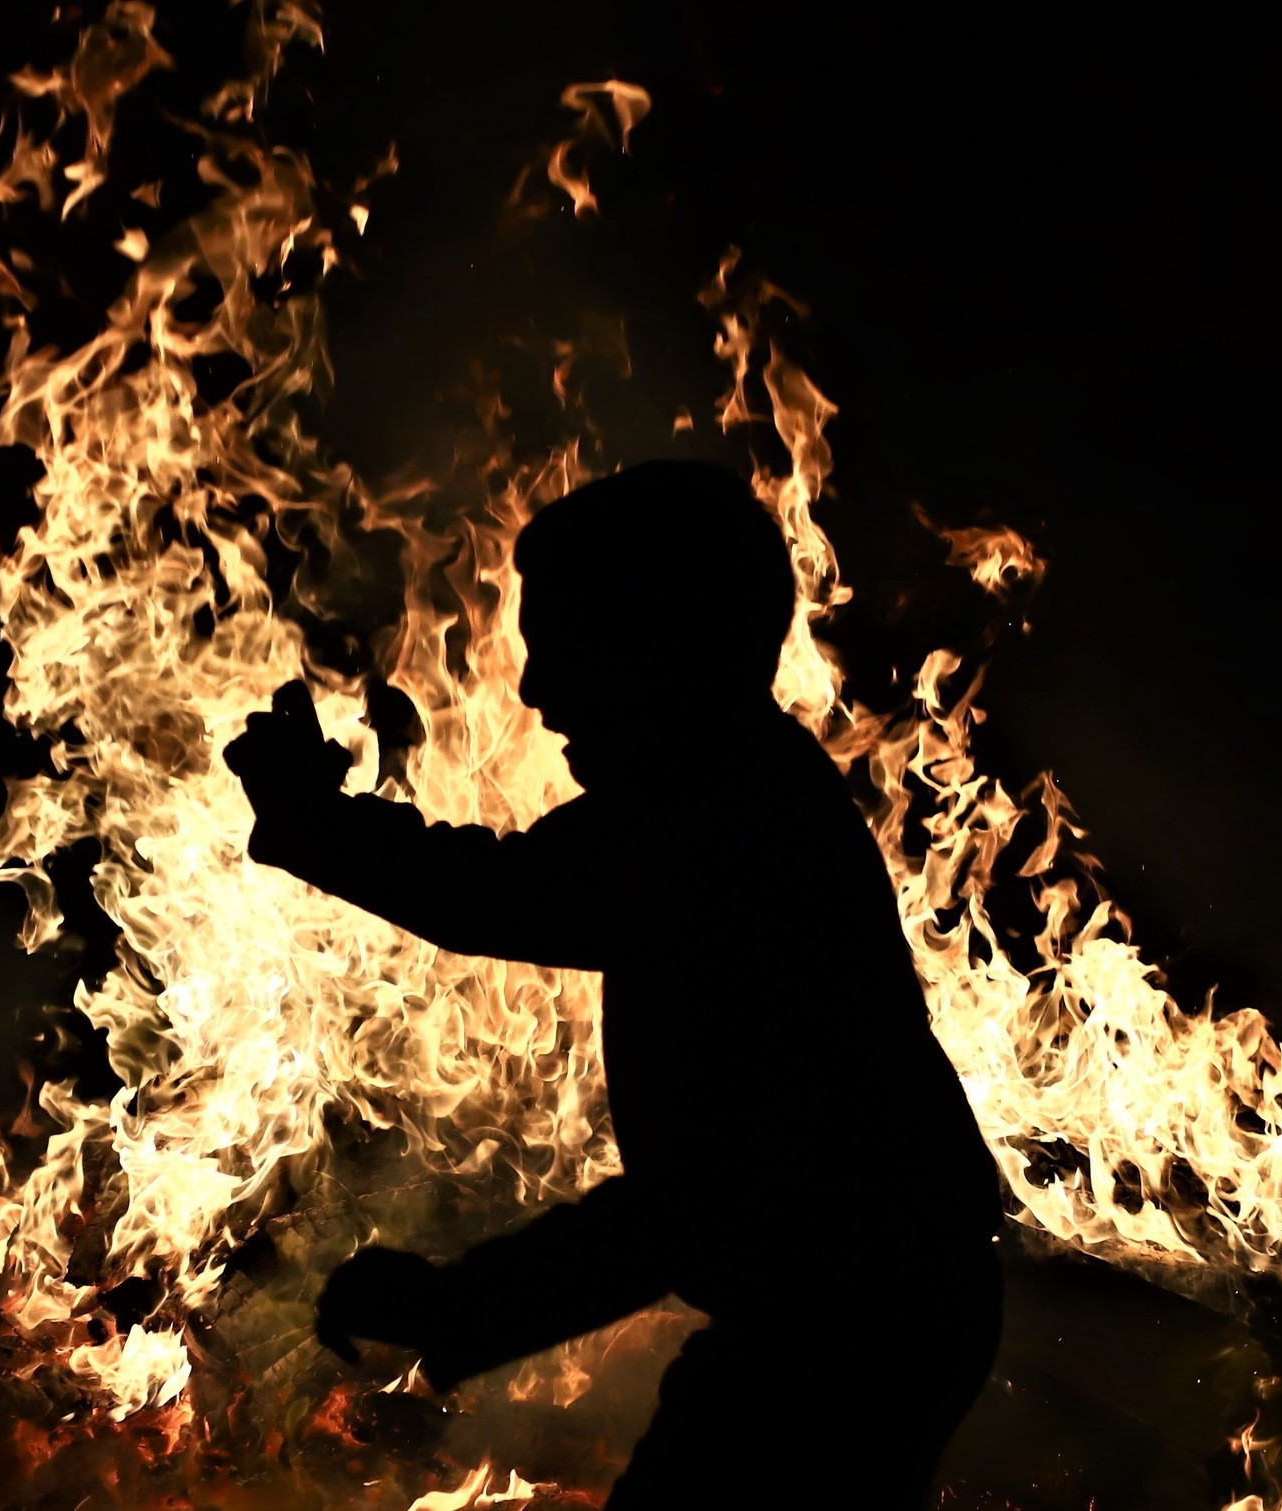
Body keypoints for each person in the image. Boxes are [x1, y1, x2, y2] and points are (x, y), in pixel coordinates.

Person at [225, 459, 1002, 1507]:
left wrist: (470, 1305)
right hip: (865, 1306)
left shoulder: (726, 826)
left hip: (853, 1323)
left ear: (660, 652)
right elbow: (503, 890)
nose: (538, 690)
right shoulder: (724, 787)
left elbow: (695, 1203)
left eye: (567, 650)